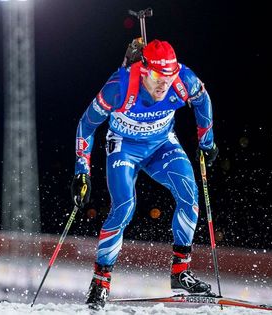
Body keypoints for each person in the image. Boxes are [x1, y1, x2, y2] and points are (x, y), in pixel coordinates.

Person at [71, 38, 219, 310]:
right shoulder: (120, 85)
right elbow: (86, 124)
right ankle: (100, 283)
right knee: (125, 207)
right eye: (156, 76)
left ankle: (180, 272)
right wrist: (82, 171)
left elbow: (203, 100)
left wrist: (206, 143)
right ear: (143, 69)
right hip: (124, 147)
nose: (164, 84)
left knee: (189, 196)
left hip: (162, 145)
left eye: (169, 76)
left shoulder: (183, 80)